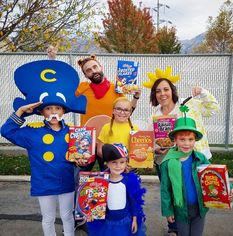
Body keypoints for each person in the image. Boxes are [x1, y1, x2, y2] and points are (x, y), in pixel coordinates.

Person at [1, 59, 87, 236]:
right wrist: (21, 112)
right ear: (41, 112)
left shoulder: (74, 133)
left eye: (57, 108)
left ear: (64, 111)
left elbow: (84, 158)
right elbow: (6, 130)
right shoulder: (32, 133)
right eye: (48, 108)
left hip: (66, 182)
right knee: (48, 218)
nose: (53, 112)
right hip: (44, 183)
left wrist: (81, 162)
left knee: (67, 216)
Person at [143, 66, 220, 235]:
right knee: (171, 193)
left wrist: (203, 92)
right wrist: (157, 149)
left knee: (196, 195)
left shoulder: (188, 105)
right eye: (157, 91)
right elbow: (148, 142)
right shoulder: (153, 117)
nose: (162, 93)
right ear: (154, 95)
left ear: (172, 91)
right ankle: (174, 227)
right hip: (167, 162)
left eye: (165, 89)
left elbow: (213, 108)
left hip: (194, 160)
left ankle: (194, 224)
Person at [160, 113, 233, 236]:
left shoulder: (200, 158)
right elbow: (165, 189)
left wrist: (230, 188)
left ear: (195, 140)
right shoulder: (167, 162)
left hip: (200, 207)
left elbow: (216, 174)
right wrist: (168, 211)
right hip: (180, 210)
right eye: (182, 139)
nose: (186, 143)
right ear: (175, 140)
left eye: (190, 139)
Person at [87, 143, 146, 236]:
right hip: (107, 223)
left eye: (122, 162)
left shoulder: (128, 181)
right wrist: (90, 214)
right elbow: (95, 201)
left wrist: (135, 219)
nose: (118, 166)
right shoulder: (100, 182)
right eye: (114, 162)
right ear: (106, 163)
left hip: (125, 222)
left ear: (126, 163)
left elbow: (134, 201)